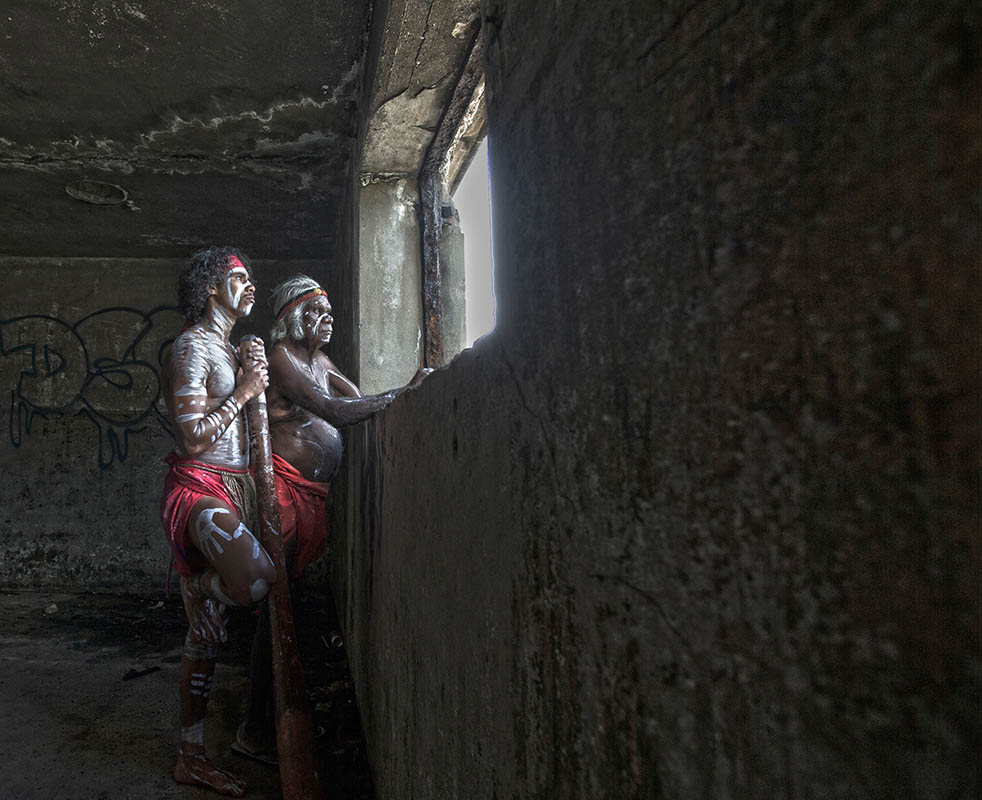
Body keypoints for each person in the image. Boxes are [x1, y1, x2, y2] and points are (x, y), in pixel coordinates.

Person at [231, 273, 429, 762]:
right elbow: (336, 412)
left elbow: (358, 397)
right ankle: (257, 727)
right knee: (278, 607)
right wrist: (401, 395)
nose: (327, 322)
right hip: (282, 492)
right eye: (316, 314)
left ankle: (270, 715)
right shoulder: (282, 359)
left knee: (285, 600)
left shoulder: (318, 359)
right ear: (293, 319)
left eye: (329, 315)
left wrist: (405, 391)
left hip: (311, 494)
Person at [160, 246, 274, 797]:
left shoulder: (229, 347)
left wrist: (253, 371)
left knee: (206, 635)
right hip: (198, 491)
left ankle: (191, 756)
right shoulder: (190, 347)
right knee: (253, 582)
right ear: (211, 288)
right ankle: (193, 579)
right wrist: (248, 390)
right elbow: (191, 438)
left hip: (235, 491)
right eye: (239, 278)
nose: (250, 286)